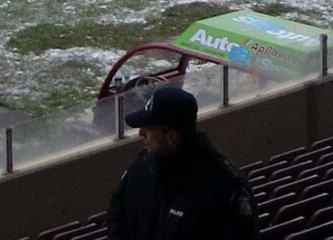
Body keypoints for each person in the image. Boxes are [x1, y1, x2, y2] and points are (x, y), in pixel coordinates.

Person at [105, 85, 258, 240]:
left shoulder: (223, 185)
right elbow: (117, 216)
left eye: (148, 129)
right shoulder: (143, 165)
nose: (141, 133)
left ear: (171, 137)